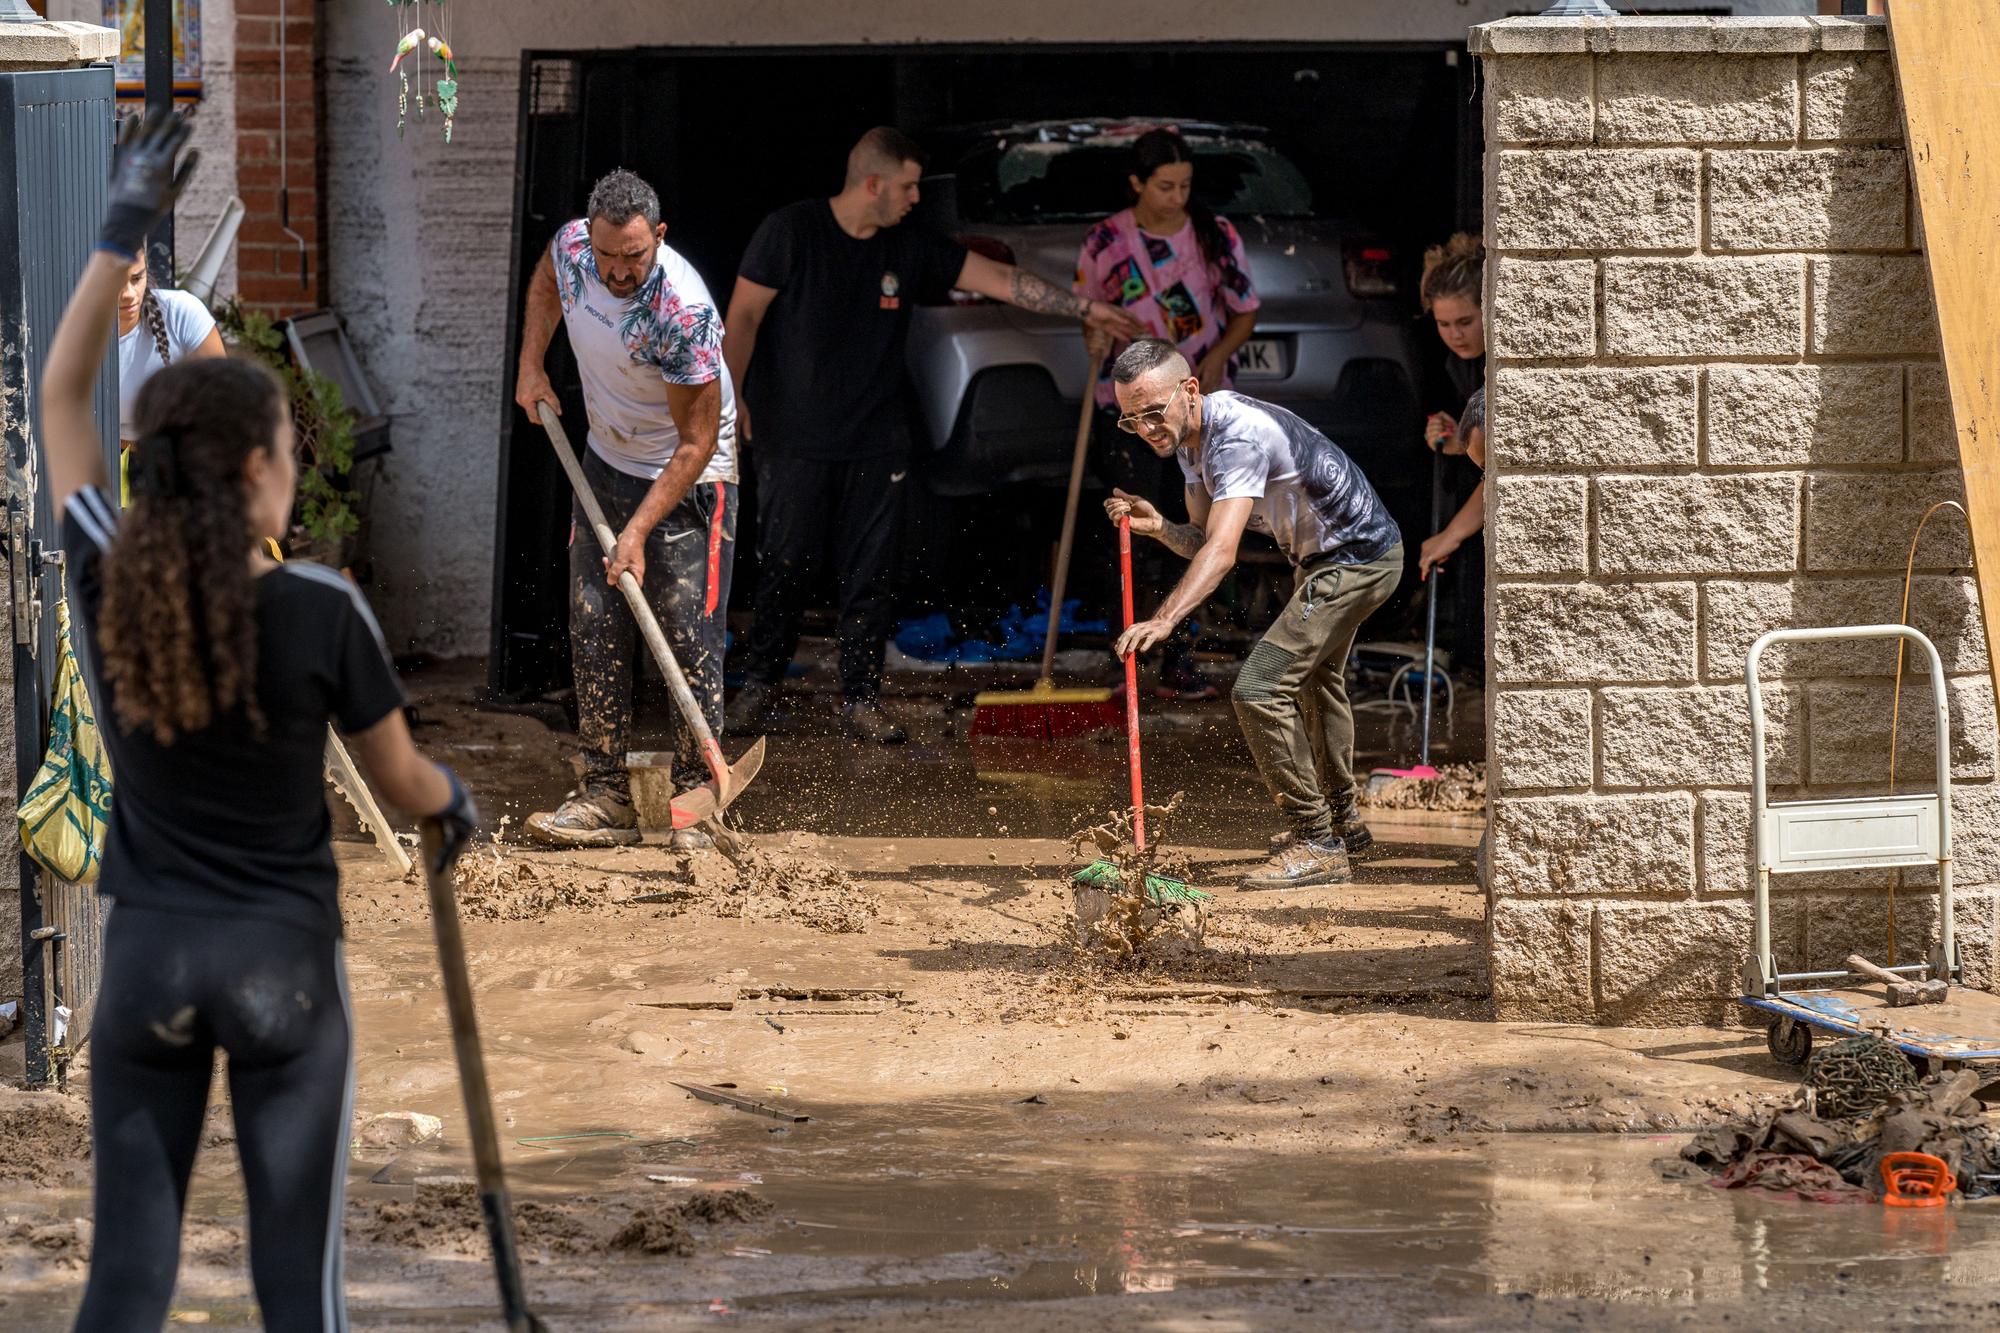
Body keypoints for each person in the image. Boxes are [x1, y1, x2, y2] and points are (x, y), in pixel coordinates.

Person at [42, 112, 476, 1331]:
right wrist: (457, 805)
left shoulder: (109, 572)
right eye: (287, 446)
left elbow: (63, 397)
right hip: (286, 969)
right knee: (301, 1292)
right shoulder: (321, 604)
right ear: (250, 474)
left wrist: (119, 224)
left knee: (126, 1281)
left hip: (146, 967)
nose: (297, 461)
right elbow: (401, 784)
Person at [722, 126, 1141, 744]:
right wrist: (729, 407)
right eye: (909, 186)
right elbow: (743, 318)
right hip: (793, 435)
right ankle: (756, 688)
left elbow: (1000, 281)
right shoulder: (791, 232)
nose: (917, 198)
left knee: (870, 573)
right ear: (874, 184)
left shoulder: (909, 245)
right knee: (786, 562)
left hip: (877, 438)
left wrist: (1085, 310)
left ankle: (860, 700)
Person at [1102, 338, 1401, 890]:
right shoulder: (1190, 442)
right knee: (1314, 682)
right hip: (1330, 562)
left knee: (1259, 688)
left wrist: (1165, 619)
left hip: (1357, 558)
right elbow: (1202, 539)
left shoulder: (1233, 434)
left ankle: (1316, 843)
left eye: (1152, 412)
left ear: (1189, 391)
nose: (1145, 429)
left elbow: (1222, 554)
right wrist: (1161, 528)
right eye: (1130, 420)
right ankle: (1342, 826)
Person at [514, 168, 738, 847]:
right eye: (607, 254)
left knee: (684, 635)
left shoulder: (684, 312)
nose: (616, 270)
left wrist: (638, 530)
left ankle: (697, 802)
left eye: (633, 256)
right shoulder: (573, 248)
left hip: (690, 474)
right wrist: (533, 361)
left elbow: (696, 443)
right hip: (605, 458)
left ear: (659, 237)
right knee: (594, 621)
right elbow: (549, 282)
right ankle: (605, 792)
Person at [1077, 127, 1261, 701]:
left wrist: (1218, 358)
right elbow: (1090, 310)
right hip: (1130, 412)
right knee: (1129, 522)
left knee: (1195, 526)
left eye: (1185, 185)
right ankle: (1124, 652)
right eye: (1164, 186)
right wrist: (1093, 330)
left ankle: (1180, 655)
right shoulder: (1106, 240)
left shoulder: (1215, 234)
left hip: (1196, 409)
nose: (1177, 196)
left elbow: (1244, 311)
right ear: (1136, 183)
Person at [1414, 234, 1486, 677]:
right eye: (1443, 324)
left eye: (1465, 321)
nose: (1455, 335)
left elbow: (1502, 472)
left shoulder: (1502, 359)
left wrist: (1451, 535)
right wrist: (1446, 435)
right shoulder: (1455, 363)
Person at [116, 251, 225, 502]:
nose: (129, 294)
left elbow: (224, 402)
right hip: (110, 469)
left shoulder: (180, 313)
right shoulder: (76, 332)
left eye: (136, 278)